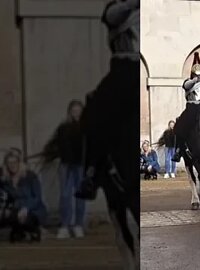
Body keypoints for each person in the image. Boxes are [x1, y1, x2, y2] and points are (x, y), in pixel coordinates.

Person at [75, 0, 140, 200]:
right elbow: (112, 15)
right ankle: (91, 171)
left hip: (142, 65)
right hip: (124, 68)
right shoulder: (116, 8)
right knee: (96, 108)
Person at [43, 100, 87, 239]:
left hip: (80, 165)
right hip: (66, 165)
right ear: (69, 111)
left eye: (78, 110)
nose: (76, 113)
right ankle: (65, 225)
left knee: (80, 196)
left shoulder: (86, 128)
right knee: (65, 196)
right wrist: (53, 154)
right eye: (73, 110)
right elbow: (54, 143)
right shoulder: (63, 127)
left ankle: (78, 225)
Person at [171, 52, 200, 162]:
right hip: (191, 108)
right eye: (196, 74)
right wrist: (194, 80)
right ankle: (178, 150)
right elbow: (186, 86)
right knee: (180, 125)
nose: (198, 76)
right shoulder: (188, 82)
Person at [1, 150, 47, 242]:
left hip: (33, 209)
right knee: (7, 216)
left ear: (19, 162)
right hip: (16, 209)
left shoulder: (30, 176)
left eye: (14, 162)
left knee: (23, 218)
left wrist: (26, 208)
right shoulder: (5, 180)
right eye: (9, 163)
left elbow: (37, 198)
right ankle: (19, 231)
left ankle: (35, 230)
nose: (12, 165)